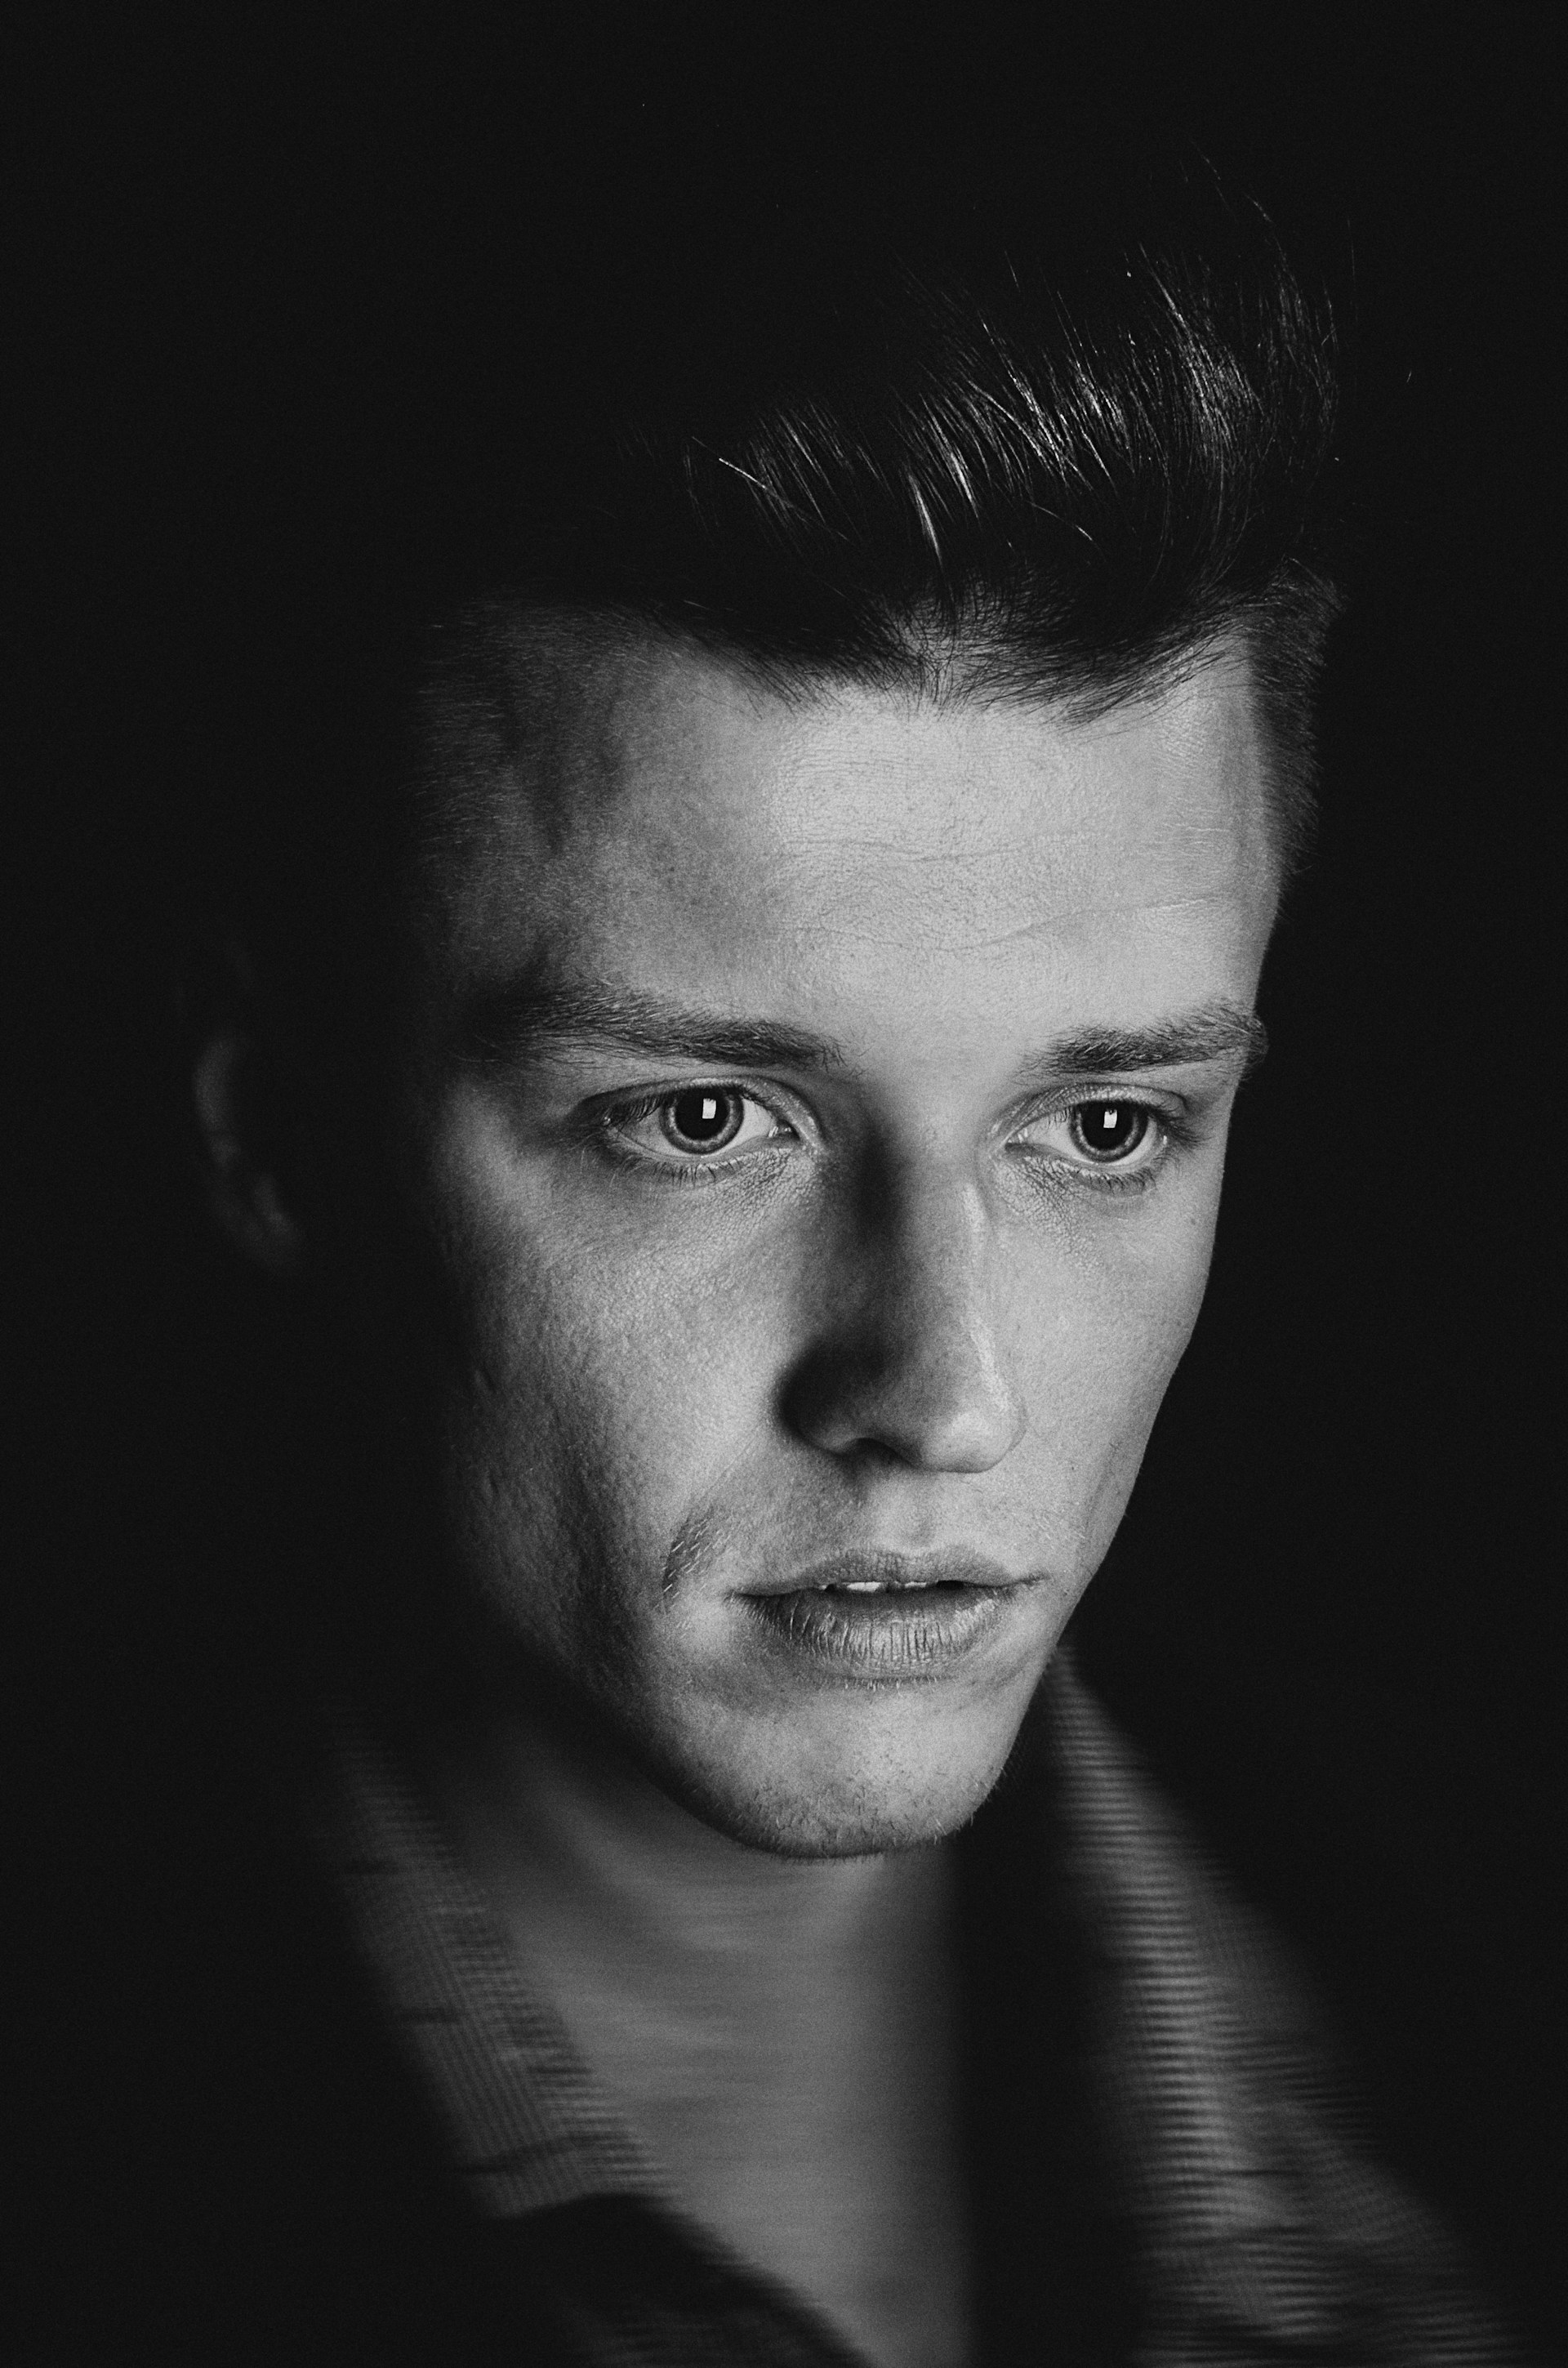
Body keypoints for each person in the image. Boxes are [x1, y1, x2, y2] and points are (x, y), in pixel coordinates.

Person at [147, 150, 1524, 2364]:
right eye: (702, 1121)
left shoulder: (1485, 2013)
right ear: (271, 1129)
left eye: (1103, 1125)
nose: (942, 1388)